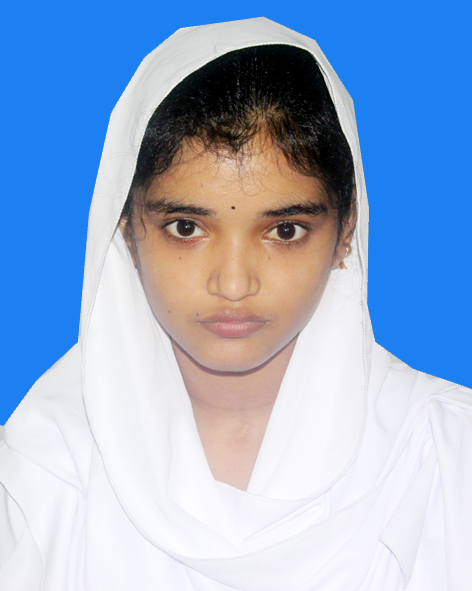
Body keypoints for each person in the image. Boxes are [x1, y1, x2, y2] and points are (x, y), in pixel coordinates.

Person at [0, 17, 470, 591]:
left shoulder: (446, 458)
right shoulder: (38, 469)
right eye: (185, 227)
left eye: (285, 231)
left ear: (346, 228)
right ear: (124, 225)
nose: (233, 283)